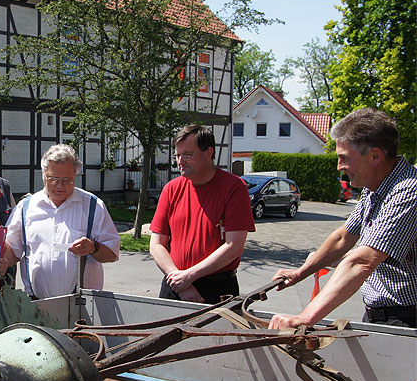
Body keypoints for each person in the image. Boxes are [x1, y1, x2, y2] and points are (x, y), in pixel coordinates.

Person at [269, 108, 416, 330]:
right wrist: (300, 273)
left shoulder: (408, 192)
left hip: (408, 317)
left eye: (344, 158)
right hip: (381, 313)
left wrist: (305, 318)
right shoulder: (374, 187)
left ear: (375, 156)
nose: (339, 167)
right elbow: (342, 237)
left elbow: (362, 261)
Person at [0, 144, 119, 299]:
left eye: (67, 180)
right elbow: (13, 251)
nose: (60, 185)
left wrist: (93, 247)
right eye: (53, 179)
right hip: (36, 304)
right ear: (43, 174)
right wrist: (1, 252)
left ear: (75, 175)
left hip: (82, 306)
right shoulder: (26, 207)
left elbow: (112, 254)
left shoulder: (93, 206)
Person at [149, 124, 255, 304]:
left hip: (217, 288)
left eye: (188, 155)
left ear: (208, 153)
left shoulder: (234, 188)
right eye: (177, 155)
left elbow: (234, 246)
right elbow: (156, 244)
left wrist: (189, 277)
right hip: (174, 285)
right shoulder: (171, 189)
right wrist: (180, 281)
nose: (180, 161)